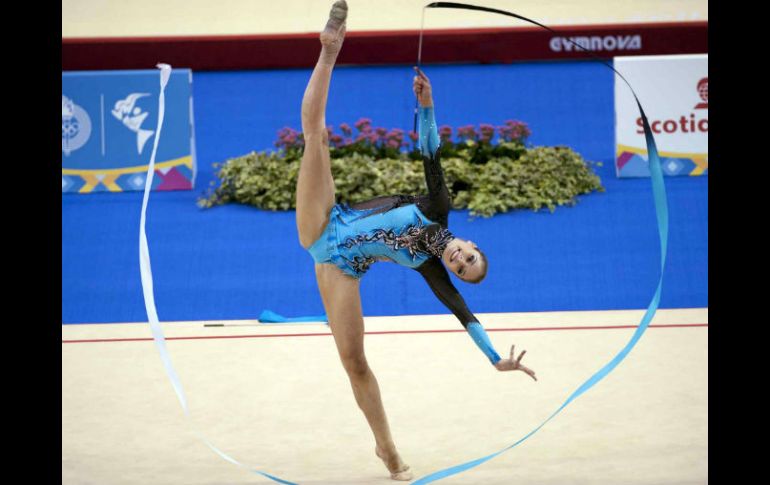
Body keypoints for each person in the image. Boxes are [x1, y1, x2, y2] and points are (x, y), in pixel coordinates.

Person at [295, 1, 537, 480]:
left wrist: (495, 360)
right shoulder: (438, 206)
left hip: (340, 267)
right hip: (328, 221)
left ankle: (386, 449)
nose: (460, 260)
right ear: (466, 240)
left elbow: (465, 315)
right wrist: (426, 105)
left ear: (453, 271)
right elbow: (431, 152)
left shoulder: (430, 268)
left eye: (462, 268)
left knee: (355, 363)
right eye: (469, 255)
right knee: (316, 138)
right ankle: (330, 50)